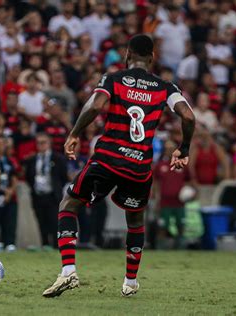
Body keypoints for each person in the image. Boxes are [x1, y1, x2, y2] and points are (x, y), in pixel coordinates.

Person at [42, 34, 195, 298]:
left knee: (69, 203)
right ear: (152, 58)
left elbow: (96, 105)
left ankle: (68, 271)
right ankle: (130, 283)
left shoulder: (114, 79)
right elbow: (189, 116)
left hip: (109, 158)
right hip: (139, 165)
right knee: (135, 220)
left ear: (127, 55)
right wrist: (184, 148)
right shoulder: (166, 87)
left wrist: (75, 132)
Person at [24, 133, 69, 248]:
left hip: (52, 196)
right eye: (38, 143)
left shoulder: (58, 158)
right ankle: (44, 244)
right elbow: (29, 176)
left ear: (49, 143)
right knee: (41, 222)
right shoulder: (33, 159)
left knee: (54, 221)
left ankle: (55, 246)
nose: (41, 145)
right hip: (38, 195)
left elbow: (63, 177)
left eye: (43, 142)